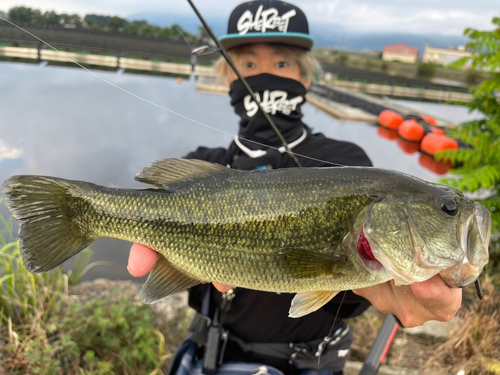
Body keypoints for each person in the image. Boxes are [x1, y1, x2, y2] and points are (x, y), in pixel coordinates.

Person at [127, 1, 462, 374]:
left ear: (305, 78)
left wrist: (396, 283)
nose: (265, 74)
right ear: (228, 77)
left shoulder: (344, 164)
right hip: (209, 349)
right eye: (249, 64)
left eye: (282, 63)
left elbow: (353, 278)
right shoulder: (202, 163)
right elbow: (184, 268)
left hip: (307, 360)